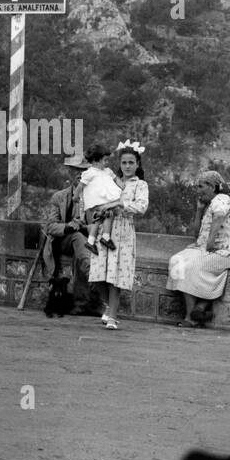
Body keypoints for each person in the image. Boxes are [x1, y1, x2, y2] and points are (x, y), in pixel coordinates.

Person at [167, 170, 230, 328]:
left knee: (190, 267)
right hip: (207, 248)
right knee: (177, 261)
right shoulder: (211, 204)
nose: (198, 191)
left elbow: (220, 216)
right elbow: (196, 235)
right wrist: (199, 210)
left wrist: (209, 244)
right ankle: (200, 306)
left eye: (201, 186)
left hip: (225, 252)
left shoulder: (221, 199)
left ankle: (191, 317)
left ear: (212, 186)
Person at [89, 141, 149, 330]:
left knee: (115, 275)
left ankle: (113, 316)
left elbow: (141, 207)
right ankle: (110, 306)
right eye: (124, 163)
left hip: (123, 230)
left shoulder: (140, 185)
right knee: (97, 275)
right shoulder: (111, 180)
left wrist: (120, 205)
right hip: (105, 228)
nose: (128, 166)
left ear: (137, 164)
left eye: (131, 162)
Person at [42, 154, 103, 316]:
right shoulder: (59, 197)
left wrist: (84, 226)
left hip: (85, 242)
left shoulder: (95, 199)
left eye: (84, 170)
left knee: (80, 246)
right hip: (62, 241)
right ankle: (95, 278)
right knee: (77, 239)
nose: (80, 173)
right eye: (76, 170)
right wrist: (70, 226)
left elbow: (100, 225)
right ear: (69, 172)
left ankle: (81, 303)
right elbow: (50, 226)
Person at [80, 142, 122, 253]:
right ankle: (105, 237)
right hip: (97, 201)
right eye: (105, 160)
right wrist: (76, 195)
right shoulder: (90, 173)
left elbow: (116, 179)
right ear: (96, 161)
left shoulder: (107, 171)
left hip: (105, 199)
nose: (107, 163)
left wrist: (122, 185)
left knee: (100, 218)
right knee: (106, 214)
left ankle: (91, 241)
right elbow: (81, 186)